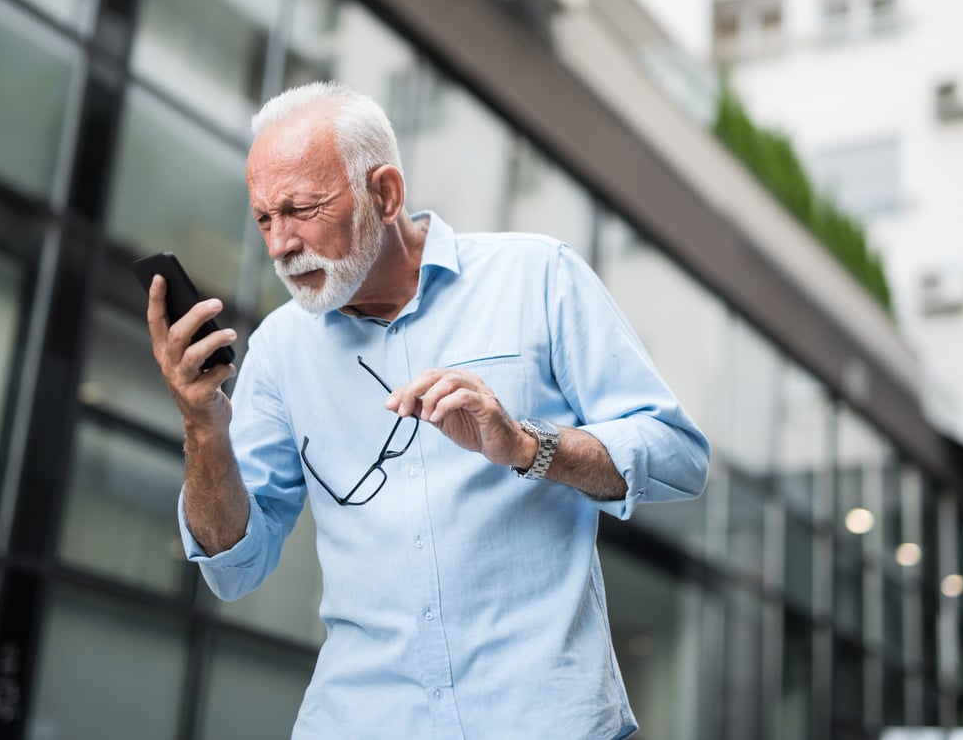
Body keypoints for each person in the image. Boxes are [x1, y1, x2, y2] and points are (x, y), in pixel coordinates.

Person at [145, 81, 709, 739]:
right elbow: (233, 567)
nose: (280, 244)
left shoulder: (537, 278)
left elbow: (679, 458)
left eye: (300, 209)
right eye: (265, 217)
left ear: (385, 193)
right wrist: (203, 425)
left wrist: (529, 446)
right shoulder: (277, 352)